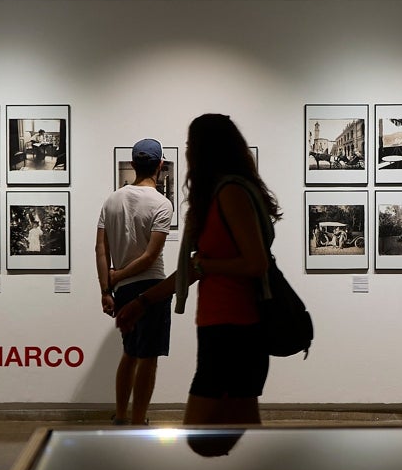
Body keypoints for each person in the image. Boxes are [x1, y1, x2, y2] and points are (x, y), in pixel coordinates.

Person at [116, 114, 281, 425]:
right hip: (218, 325)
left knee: (205, 433)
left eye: (191, 144)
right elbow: (190, 270)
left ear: (207, 148)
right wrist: (143, 302)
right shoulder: (216, 196)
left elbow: (254, 262)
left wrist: (204, 264)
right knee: (235, 429)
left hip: (238, 326)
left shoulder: (231, 193)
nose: (188, 151)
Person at [96, 138, 174, 426]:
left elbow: (100, 249)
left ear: (132, 164)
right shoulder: (162, 204)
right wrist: (119, 276)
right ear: (160, 165)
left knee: (129, 352)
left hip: (123, 290)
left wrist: (108, 287)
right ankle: (138, 420)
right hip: (151, 287)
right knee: (148, 357)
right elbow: (152, 255)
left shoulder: (112, 200)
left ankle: (121, 415)